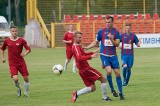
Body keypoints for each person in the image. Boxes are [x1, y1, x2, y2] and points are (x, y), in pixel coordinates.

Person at [84, 16, 125, 100]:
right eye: (106, 22)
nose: (107, 24)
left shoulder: (116, 32)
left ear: (112, 22)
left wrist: (111, 39)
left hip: (113, 56)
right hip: (104, 55)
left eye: (109, 22)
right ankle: (112, 89)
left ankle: (121, 93)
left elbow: (117, 44)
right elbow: (96, 42)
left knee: (117, 73)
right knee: (109, 71)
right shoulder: (101, 31)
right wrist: (87, 48)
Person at [71, 31, 111, 103]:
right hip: (85, 69)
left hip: (82, 70)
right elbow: (80, 57)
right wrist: (91, 56)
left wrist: (92, 53)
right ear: (75, 38)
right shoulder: (76, 47)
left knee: (92, 88)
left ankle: (76, 93)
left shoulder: (77, 46)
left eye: (81, 37)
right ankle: (105, 98)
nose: (81, 39)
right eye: (79, 37)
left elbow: (83, 54)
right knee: (103, 79)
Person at [0, 26, 31, 97]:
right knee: (15, 79)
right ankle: (19, 88)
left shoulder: (21, 40)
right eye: (13, 31)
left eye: (15, 31)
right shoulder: (7, 41)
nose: (14, 32)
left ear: (17, 31)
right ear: (10, 32)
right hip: (12, 64)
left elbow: (28, 49)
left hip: (21, 63)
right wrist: (2, 58)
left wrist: (25, 53)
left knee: (26, 78)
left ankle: (26, 92)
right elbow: (2, 49)